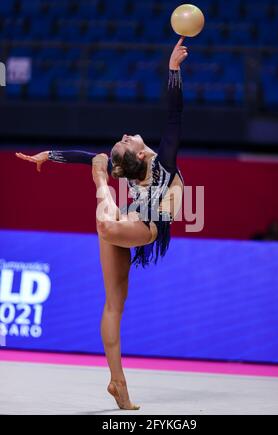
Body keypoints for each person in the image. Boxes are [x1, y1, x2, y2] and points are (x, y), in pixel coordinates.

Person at [16, 37, 188, 410]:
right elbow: (173, 118)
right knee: (112, 296)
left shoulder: (148, 164)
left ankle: (100, 186)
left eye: (124, 140)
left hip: (140, 221)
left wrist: (53, 155)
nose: (126, 136)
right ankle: (118, 382)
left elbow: (87, 155)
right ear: (140, 153)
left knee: (114, 282)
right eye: (126, 141)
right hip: (135, 222)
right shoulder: (160, 160)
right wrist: (173, 71)